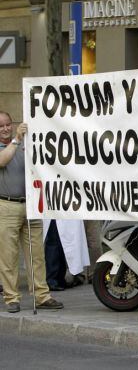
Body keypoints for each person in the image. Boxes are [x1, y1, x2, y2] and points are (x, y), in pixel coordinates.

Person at [0, 111, 63, 313]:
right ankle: (11, 298)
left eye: (8, 124)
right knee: (8, 256)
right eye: (1, 126)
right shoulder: (13, 145)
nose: (6, 129)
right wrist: (17, 139)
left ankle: (42, 295)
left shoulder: (24, 145)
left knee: (36, 255)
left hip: (31, 204)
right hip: (7, 206)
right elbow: (3, 160)